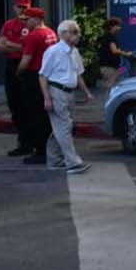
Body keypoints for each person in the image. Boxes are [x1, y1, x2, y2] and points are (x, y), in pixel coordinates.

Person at [39, 19, 93, 175]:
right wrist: (47, 98)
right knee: (64, 127)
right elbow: (42, 76)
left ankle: (55, 161)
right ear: (63, 34)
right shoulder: (53, 51)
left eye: (78, 32)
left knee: (61, 127)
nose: (78, 35)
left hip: (70, 93)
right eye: (74, 32)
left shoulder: (74, 51)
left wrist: (86, 92)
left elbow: (78, 74)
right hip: (57, 92)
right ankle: (72, 162)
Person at [16, 8, 58, 166]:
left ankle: (40, 150)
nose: (25, 22)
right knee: (47, 115)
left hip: (35, 76)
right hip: (49, 76)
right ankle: (49, 148)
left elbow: (25, 61)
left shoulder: (33, 36)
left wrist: (18, 73)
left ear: (36, 19)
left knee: (36, 114)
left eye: (27, 19)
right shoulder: (51, 33)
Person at [0, 0, 33, 156]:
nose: (22, 10)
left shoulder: (32, 25)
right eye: (19, 7)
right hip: (12, 65)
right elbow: (1, 46)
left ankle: (32, 141)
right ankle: (23, 141)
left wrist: (12, 45)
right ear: (14, 7)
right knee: (15, 105)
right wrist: (20, 47)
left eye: (25, 7)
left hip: (29, 66)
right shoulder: (9, 24)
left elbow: (30, 50)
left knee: (30, 105)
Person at [98, 17, 132, 97]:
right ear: (112, 26)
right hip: (109, 67)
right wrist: (126, 54)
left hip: (113, 67)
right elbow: (114, 50)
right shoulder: (110, 36)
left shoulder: (111, 36)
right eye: (118, 26)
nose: (120, 28)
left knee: (115, 86)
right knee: (111, 88)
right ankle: (109, 106)